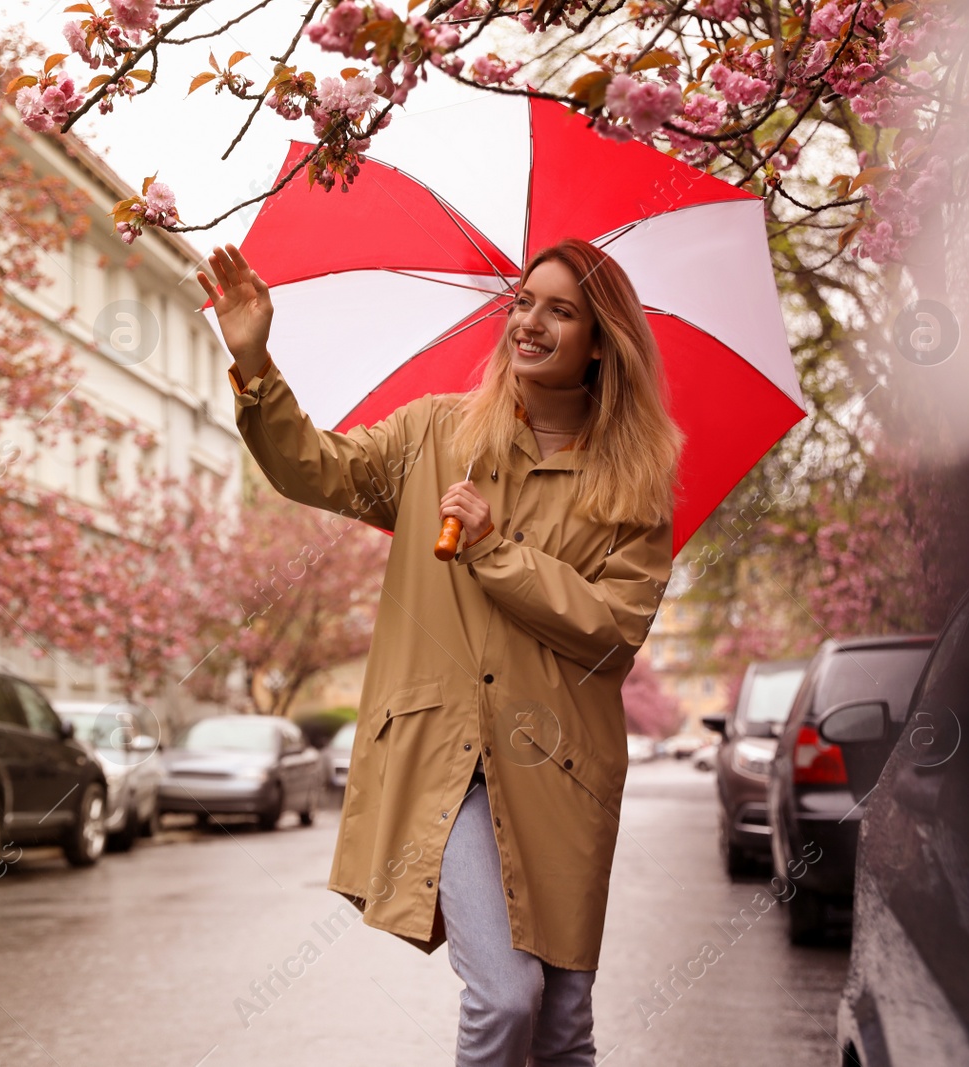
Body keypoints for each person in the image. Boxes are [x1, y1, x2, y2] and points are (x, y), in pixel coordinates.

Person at [198, 236, 681, 1067]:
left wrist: (495, 553)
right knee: (505, 994)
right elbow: (320, 468)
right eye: (524, 302)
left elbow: (610, 628)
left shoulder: (632, 483)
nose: (530, 321)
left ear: (600, 340)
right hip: (446, 759)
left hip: (561, 770)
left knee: (564, 1029)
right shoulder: (437, 434)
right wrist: (255, 364)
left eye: (559, 310)